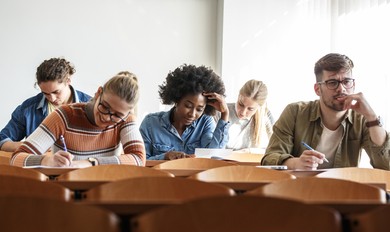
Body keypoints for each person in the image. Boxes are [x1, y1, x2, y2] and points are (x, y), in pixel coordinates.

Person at [261, 53, 390, 170]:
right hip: (300, 190)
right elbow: (269, 159)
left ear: (353, 85)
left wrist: (372, 117)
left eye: (346, 82)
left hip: (343, 192)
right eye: (332, 82)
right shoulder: (295, 112)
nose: (341, 89)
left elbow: (386, 166)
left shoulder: (362, 119)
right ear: (317, 89)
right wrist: (296, 163)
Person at [11, 71, 145, 167]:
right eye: (104, 106)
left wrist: (91, 163)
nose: (106, 117)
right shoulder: (64, 115)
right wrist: (46, 161)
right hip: (66, 196)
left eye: (117, 115)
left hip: (105, 196)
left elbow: (139, 159)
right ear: (98, 92)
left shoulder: (126, 120)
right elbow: (16, 158)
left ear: (126, 114)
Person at [140, 64, 230, 160]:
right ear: (176, 100)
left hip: (196, 175)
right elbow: (141, 162)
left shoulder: (205, 122)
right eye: (188, 106)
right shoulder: (150, 123)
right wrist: (165, 157)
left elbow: (214, 156)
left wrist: (225, 114)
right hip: (161, 175)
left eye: (199, 109)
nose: (192, 114)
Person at [0, 57, 91, 152]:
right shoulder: (28, 109)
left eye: (56, 92)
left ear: (68, 81)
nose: (52, 98)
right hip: (40, 165)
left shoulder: (90, 107)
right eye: (45, 93)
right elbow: (3, 140)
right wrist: (28, 146)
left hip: (81, 166)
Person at [215, 79, 274, 151]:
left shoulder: (265, 117)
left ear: (259, 107)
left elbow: (275, 149)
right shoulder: (220, 112)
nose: (243, 112)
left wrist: (250, 151)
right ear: (238, 95)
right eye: (241, 104)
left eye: (250, 109)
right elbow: (213, 149)